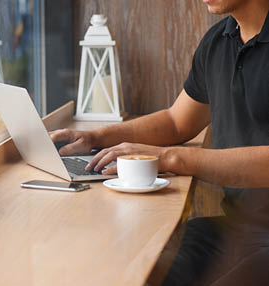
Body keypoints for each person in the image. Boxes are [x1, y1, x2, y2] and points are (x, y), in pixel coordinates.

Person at [51, 0, 269, 284]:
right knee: (146, 270)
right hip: (233, 229)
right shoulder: (217, 41)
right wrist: (97, 137)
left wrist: (172, 158)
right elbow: (177, 121)